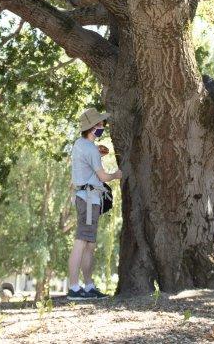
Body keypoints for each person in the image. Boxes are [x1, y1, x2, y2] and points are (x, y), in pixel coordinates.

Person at [67, 108, 122, 300]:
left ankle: (88, 286)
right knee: (82, 241)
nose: (102, 127)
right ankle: (74, 288)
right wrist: (116, 174)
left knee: (88, 244)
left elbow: (86, 164)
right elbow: (103, 176)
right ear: (92, 127)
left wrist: (97, 154)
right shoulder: (91, 149)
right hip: (89, 200)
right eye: (100, 125)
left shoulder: (80, 145)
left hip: (86, 197)